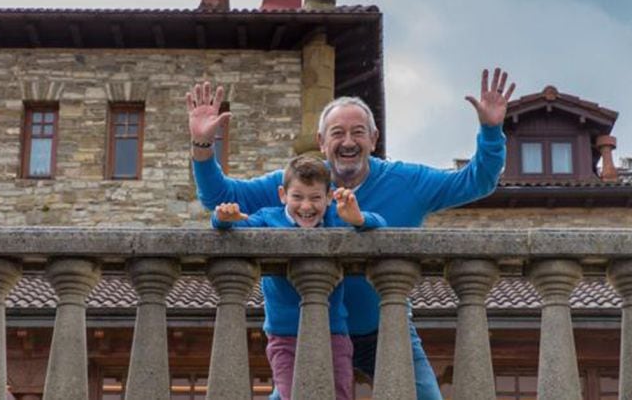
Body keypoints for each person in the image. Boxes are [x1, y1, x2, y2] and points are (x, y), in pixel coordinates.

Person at [187, 68, 515, 399]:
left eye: (358, 132)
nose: (348, 142)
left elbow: (477, 181)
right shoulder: (300, 187)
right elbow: (218, 197)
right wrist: (203, 145)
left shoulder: (407, 182)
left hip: (386, 327)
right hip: (311, 329)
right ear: (321, 142)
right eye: (337, 133)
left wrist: (491, 131)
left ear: (373, 139)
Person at [212, 155, 386, 400]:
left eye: (315, 198)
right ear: (283, 194)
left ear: (328, 196)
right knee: (292, 395)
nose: (306, 206)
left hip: (333, 331)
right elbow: (234, 226)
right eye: (297, 197)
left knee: (339, 394)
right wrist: (222, 218)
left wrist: (357, 219)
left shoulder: (336, 218)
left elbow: (380, 222)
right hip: (284, 336)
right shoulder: (267, 218)